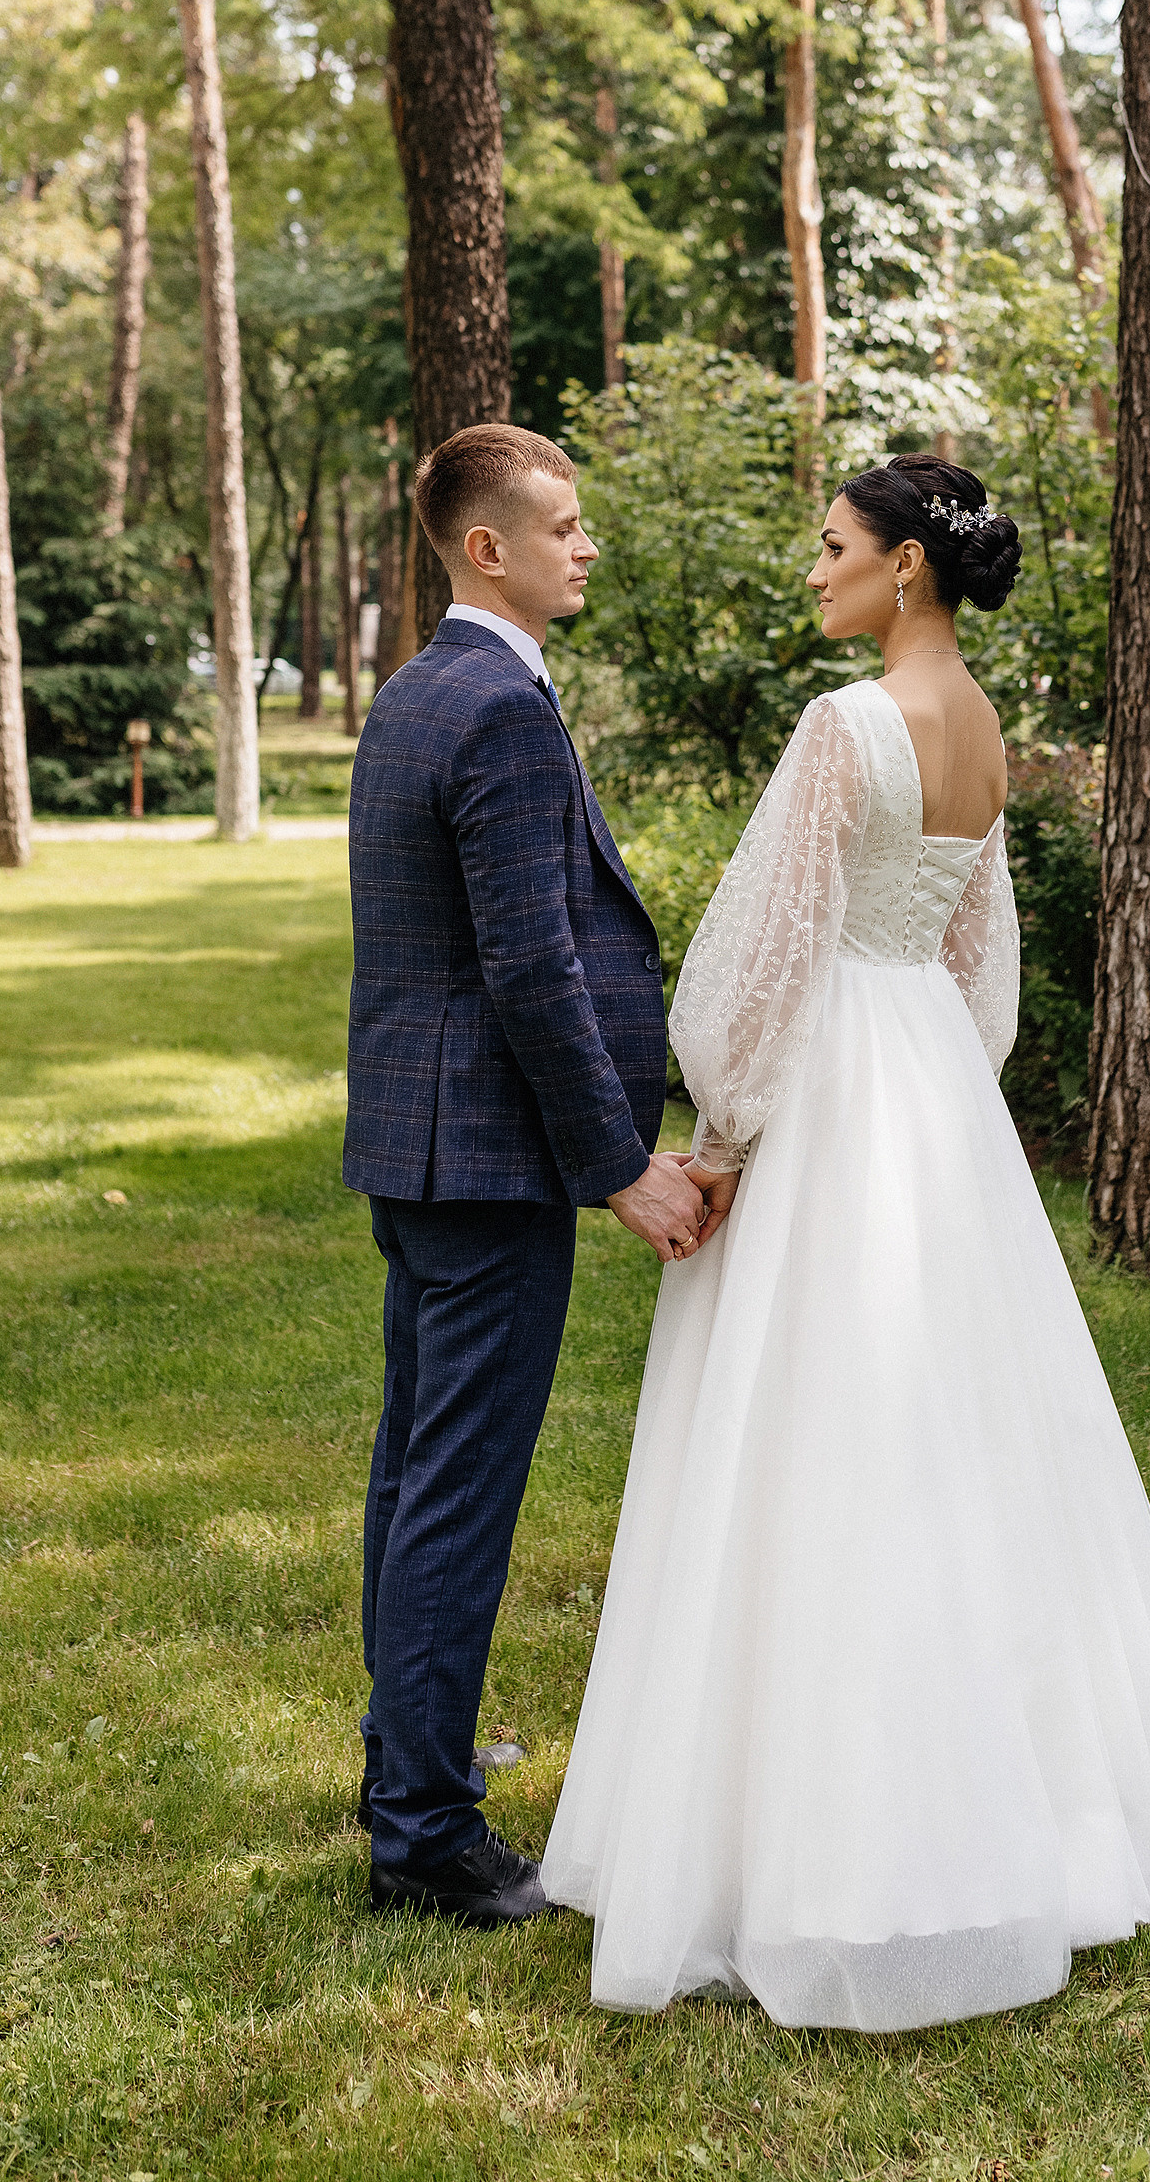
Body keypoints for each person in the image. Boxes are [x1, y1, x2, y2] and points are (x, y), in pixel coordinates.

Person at [542, 453, 1150, 2029]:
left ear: (906, 567)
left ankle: (799, 1849)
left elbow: (760, 956)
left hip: (840, 1084)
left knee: (813, 1445)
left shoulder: (843, 727)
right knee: (958, 1441)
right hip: (923, 1076)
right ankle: (1024, 1803)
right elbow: (978, 958)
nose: (818, 571)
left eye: (836, 547)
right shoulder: (981, 729)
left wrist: (717, 1141)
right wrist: (937, 1082)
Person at [344, 423, 712, 1927]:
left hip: (423, 1147)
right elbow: (532, 967)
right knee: (458, 1495)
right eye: (562, 525)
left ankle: (402, 1763)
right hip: (490, 1159)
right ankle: (426, 1835)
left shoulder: (420, 687)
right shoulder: (496, 706)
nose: (587, 544)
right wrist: (618, 1163)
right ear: (484, 547)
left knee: (414, 1466)